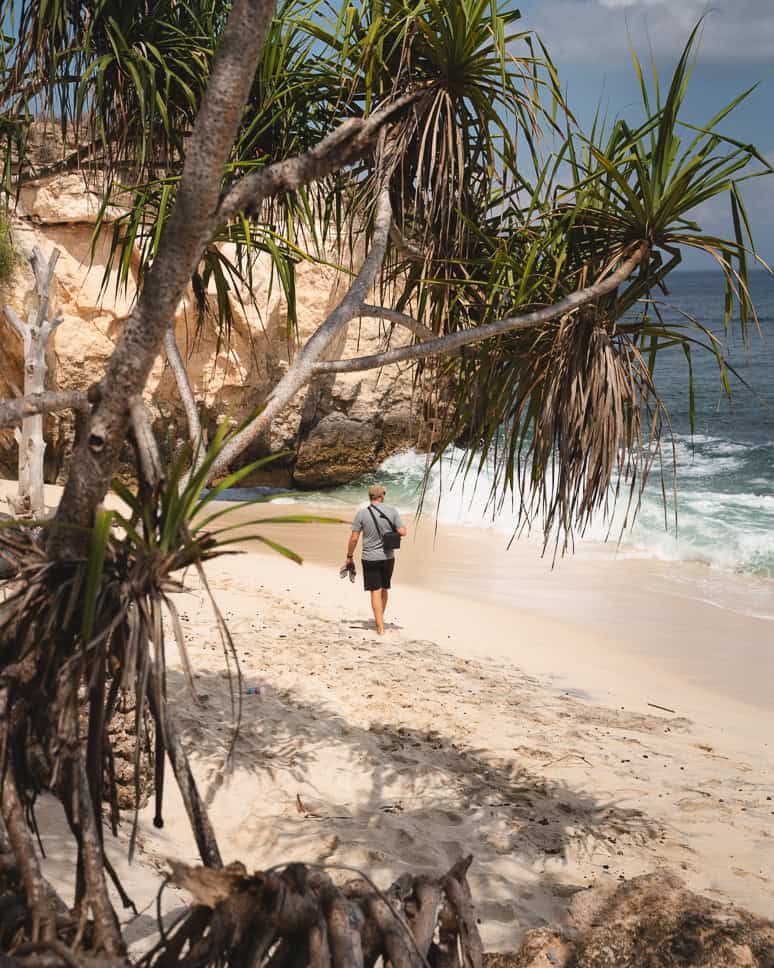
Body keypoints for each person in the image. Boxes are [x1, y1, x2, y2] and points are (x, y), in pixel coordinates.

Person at [344, 484, 407, 635]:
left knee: (375, 591)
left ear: (370, 497)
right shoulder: (392, 511)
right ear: (382, 496)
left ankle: (380, 627)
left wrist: (349, 556)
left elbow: (354, 538)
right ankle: (380, 620)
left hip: (370, 557)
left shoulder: (361, 514)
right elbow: (403, 532)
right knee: (385, 588)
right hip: (388, 557)